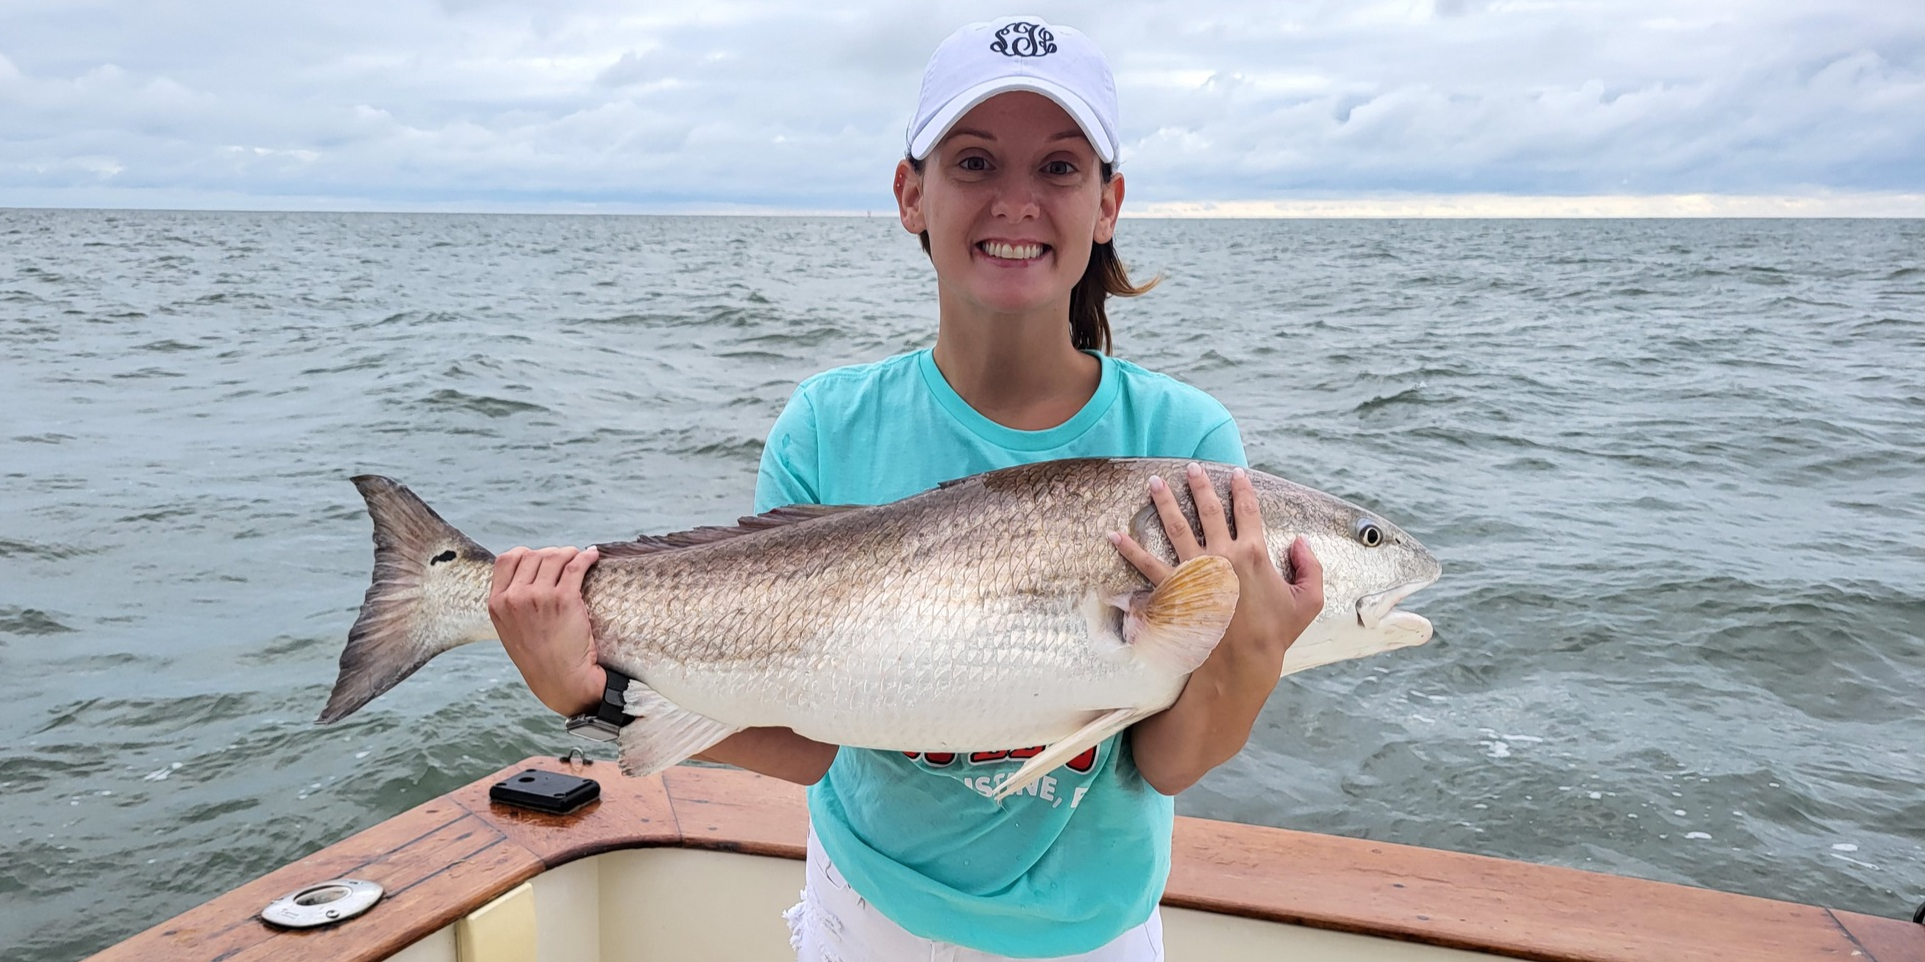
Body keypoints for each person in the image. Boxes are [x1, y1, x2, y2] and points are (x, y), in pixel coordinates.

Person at [486, 16, 1324, 962]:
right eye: (973, 162)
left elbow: (1166, 762)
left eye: (1057, 167)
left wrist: (1248, 661)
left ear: (1107, 203)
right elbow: (806, 745)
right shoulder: (826, 423)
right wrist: (597, 697)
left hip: (1096, 933)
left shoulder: (1185, 445)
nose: (1015, 200)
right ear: (909, 193)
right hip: (863, 913)